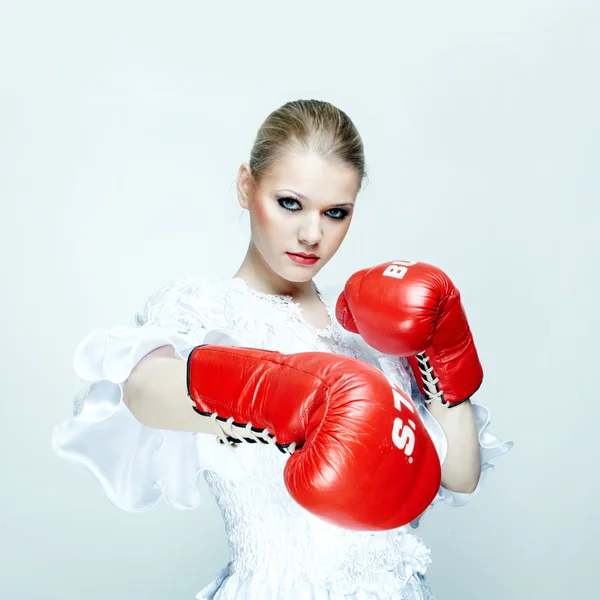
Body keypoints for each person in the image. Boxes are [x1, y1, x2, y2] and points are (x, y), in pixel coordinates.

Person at [52, 99, 514, 599]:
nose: (312, 235)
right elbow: (143, 390)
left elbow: (458, 476)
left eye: (335, 213)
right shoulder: (210, 312)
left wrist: (445, 349)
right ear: (246, 186)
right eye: (290, 203)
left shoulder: (369, 333)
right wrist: (288, 396)